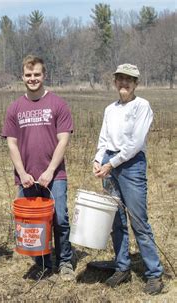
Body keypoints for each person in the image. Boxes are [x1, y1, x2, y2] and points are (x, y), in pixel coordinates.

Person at [1, 55, 75, 281]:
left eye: (37, 74)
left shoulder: (58, 104)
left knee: (60, 218)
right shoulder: (15, 108)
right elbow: (11, 143)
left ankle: (65, 262)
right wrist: (22, 173)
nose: (33, 79)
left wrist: (50, 171)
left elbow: (63, 140)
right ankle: (43, 262)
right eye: (28, 75)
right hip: (26, 177)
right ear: (22, 76)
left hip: (55, 175)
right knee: (34, 222)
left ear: (44, 75)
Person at [93, 64, 164, 295]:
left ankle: (154, 273)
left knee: (138, 220)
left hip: (131, 165)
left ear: (136, 83)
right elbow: (104, 138)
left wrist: (111, 164)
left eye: (129, 80)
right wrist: (98, 159)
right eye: (120, 79)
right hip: (109, 164)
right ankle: (122, 266)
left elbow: (134, 144)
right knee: (116, 219)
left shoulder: (142, 106)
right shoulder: (109, 109)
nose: (124, 83)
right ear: (115, 82)